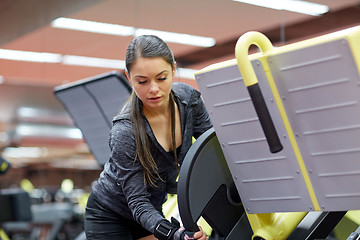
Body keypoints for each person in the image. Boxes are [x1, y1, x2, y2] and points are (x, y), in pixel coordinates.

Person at [84, 34, 212, 240]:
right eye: (142, 81)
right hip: (109, 214)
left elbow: (214, 149)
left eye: (161, 78)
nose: (153, 89)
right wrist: (176, 235)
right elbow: (137, 201)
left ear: (173, 69)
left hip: (150, 211)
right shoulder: (125, 131)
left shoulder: (190, 101)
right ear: (128, 78)